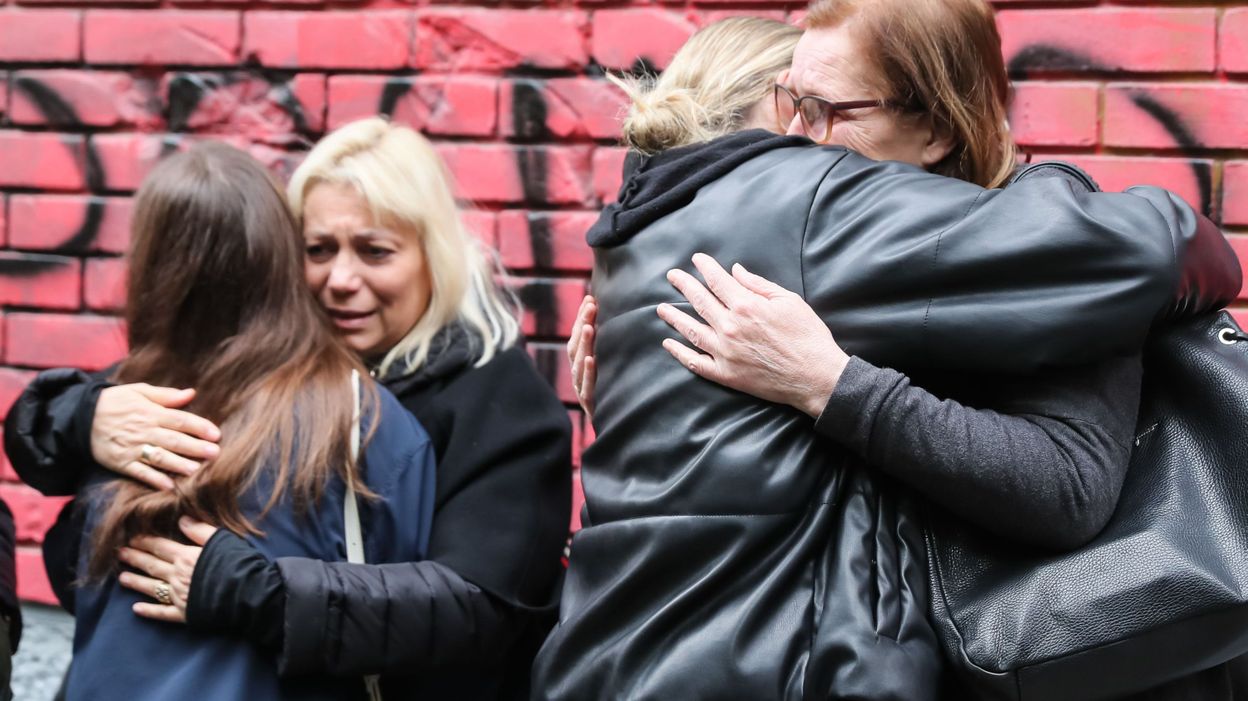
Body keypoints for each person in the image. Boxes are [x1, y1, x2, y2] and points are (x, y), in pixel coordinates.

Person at [541, 7, 1239, 701]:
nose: (794, 138)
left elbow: (1066, 481)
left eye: (826, 110)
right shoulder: (801, 212)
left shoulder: (672, 218)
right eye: (791, 101)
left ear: (934, 127)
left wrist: (833, 385)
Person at [4, 120, 572, 700]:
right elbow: (44, 449)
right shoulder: (254, 369)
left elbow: (478, 607)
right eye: (317, 250)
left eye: (375, 251)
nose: (341, 280)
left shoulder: (498, 402)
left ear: (434, 256)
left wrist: (253, 591)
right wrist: (86, 417)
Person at [58, 142, 438, 700]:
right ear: (281, 255)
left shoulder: (121, 410)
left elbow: (71, 573)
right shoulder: (363, 419)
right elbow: (403, 614)